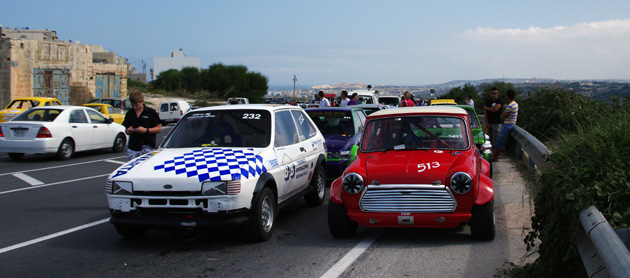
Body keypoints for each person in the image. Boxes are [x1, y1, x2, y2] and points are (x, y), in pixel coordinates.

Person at [122, 90, 162, 161]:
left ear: (142, 101)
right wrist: (129, 130)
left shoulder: (151, 112)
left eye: (137, 105)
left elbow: (158, 129)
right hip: (133, 147)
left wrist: (146, 130)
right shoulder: (129, 113)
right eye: (132, 105)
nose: (134, 107)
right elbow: (126, 130)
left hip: (147, 146)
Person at [492, 89, 518, 161]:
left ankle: (495, 157)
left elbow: (503, 115)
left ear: (507, 96)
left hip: (507, 124)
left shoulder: (510, 106)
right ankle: (495, 156)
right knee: (500, 141)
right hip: (512, 123)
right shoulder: (515, 104)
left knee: (499, 141)